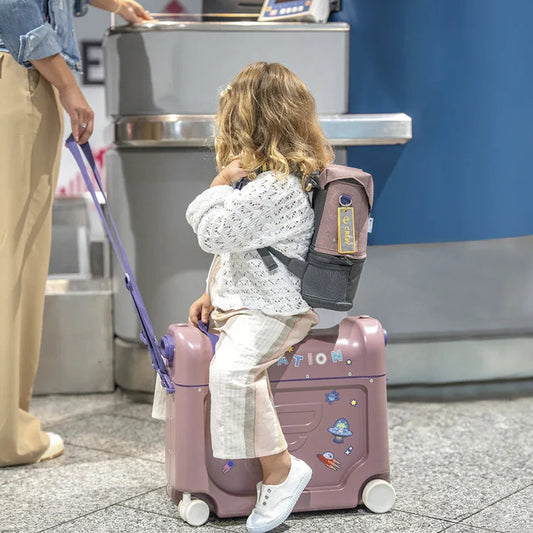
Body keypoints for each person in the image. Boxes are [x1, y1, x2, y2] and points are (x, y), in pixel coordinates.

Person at [0, 0, 152, 467]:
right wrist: (67, 86)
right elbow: (17, 8)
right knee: (13, 261)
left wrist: (116, 4)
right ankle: (7, 435)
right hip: (18, 76)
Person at [186, 62, 334, 533]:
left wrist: (217, 186)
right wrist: (211, 290)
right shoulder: (268, 179)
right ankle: (190, 463)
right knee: (189, 361)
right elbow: (242, 247)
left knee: (232, 371)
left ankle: (281, 470)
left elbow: (213, 233)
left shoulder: (277, 186)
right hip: (248, 300)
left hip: (274, 309)